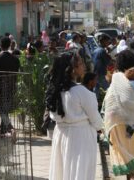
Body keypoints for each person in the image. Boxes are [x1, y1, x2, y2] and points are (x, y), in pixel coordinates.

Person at [47, 52, 103, 180]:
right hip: (80, 137)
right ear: (73, 69)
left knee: (62, 172)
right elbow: (96, 120)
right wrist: (101, 128)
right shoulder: (82, 92)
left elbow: (53, 114)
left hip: (61, 134)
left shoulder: (54, 91)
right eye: (81, 63)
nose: (84, 66)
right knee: (79, 172)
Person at [104, 50, 134, 180]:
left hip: (118, 121)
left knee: (121, 148)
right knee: (132, 149)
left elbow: (111, 99)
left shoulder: (117, 78)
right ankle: (133, 172)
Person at [0, 37, 20, 140]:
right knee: (5, 110)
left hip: (1, 87)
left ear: (0, 45)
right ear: (9, 45)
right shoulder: (16, 60)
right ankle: (2, 131)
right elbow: (16, 74)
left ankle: (10, 128)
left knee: (1, 110)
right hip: (12, 87)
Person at [93, 34, 112, 100]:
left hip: (96, 73)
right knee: (110, 90)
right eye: (107, 41)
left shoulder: (96, 50)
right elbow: (108, 62)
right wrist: (108, 53)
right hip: (100, 73)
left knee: (96, 89)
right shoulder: (102, 51)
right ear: (103, 41)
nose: (108, 43)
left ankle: (94, 103)